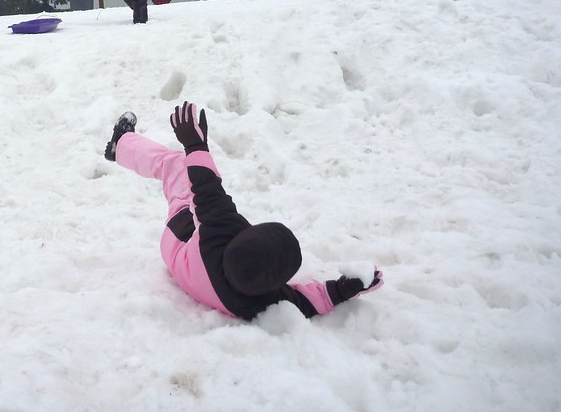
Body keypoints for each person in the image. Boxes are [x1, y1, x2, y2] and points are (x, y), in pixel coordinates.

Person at [102, 102, 384, 321]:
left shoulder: (216, 237)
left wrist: (195, 145)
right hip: (189, 270)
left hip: (181, 237)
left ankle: (121, 145)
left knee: (176, 165)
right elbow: (309, 302)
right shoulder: (258, 303)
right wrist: (343, 290)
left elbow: (207, 187)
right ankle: (123, 148)